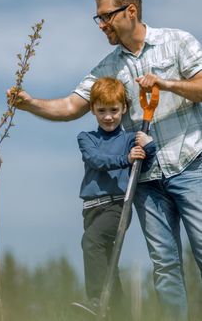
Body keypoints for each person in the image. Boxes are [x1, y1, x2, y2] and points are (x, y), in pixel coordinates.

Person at [7, 0, 202, 320]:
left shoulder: (176, 42)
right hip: (144, 181)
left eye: (105, 17)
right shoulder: (108, 67)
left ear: (131, 11)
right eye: (97, 18)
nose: (101, 25)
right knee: (165, 265)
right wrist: (29, 104)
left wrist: (164, 82)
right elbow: (71, 106)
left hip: (191, 167)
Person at [75, 76, 155, 317]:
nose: (108, 116)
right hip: (91, 208)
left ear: (124, 109)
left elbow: (145, 161)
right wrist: (125, 159)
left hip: (117, 206)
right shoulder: (86, 138)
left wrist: (148, 146)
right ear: (92, 110)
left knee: (90, 241)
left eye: (113, 110)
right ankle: (118, 312)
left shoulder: (130, 139)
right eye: (101, 110)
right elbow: (96, 160)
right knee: (108, 263)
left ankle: (97, 300)